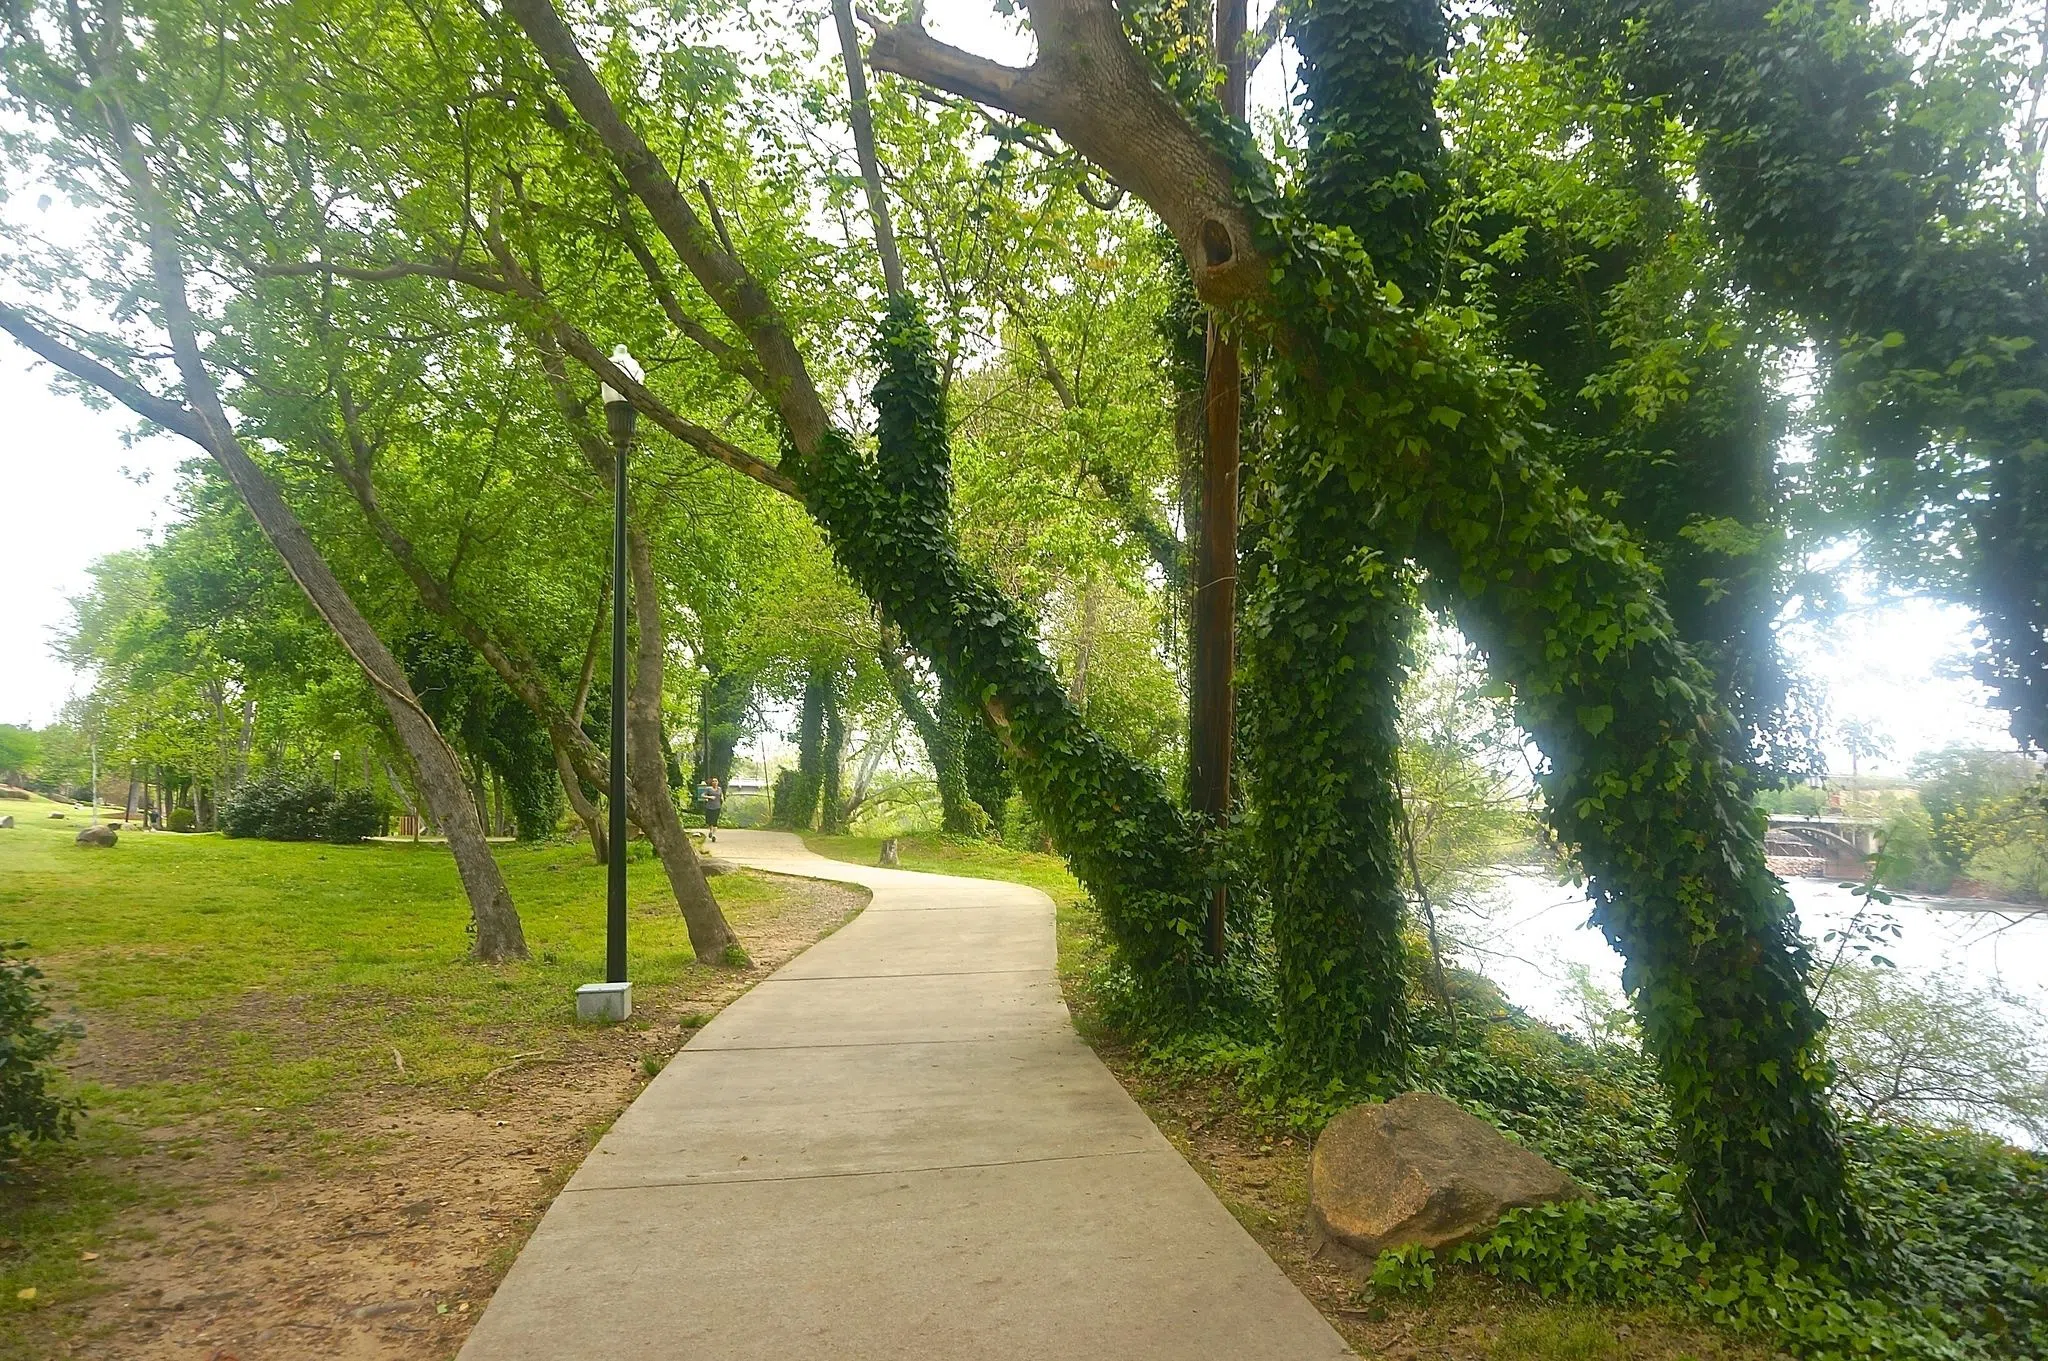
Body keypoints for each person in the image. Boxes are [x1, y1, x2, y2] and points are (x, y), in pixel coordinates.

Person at [701, 776, 723, 843]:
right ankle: (710, 831)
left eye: (716, 781)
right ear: (711, 783)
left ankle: (714, 835)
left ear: (718, 782)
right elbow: (702, 795)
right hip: (709, 807)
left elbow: (721, 795)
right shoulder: (708, 789)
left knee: (715, 821)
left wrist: (722, 798)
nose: (715, 782)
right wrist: (709, 797)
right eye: (713, 781)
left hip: (717, 807)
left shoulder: (719, 789)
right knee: (710, 821)